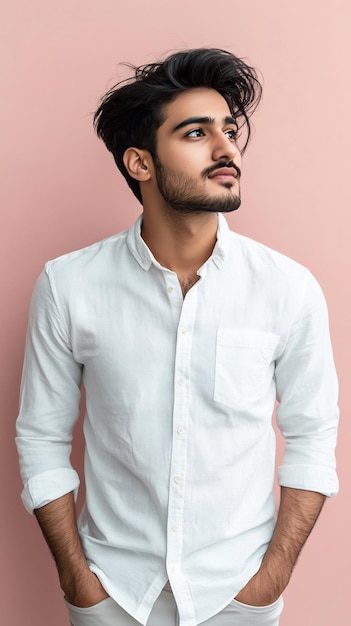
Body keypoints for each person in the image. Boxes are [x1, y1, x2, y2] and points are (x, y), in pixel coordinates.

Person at [16, 48, 339, 626]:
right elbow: (41, 438)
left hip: (237, 595)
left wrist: (272, 579)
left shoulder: (288, 288)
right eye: (196, 133)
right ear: (140, 163)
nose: (226, 149)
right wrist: (77, 579)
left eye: (230, 130)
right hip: (113, 593)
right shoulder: (68, 285)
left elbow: (314, 439)